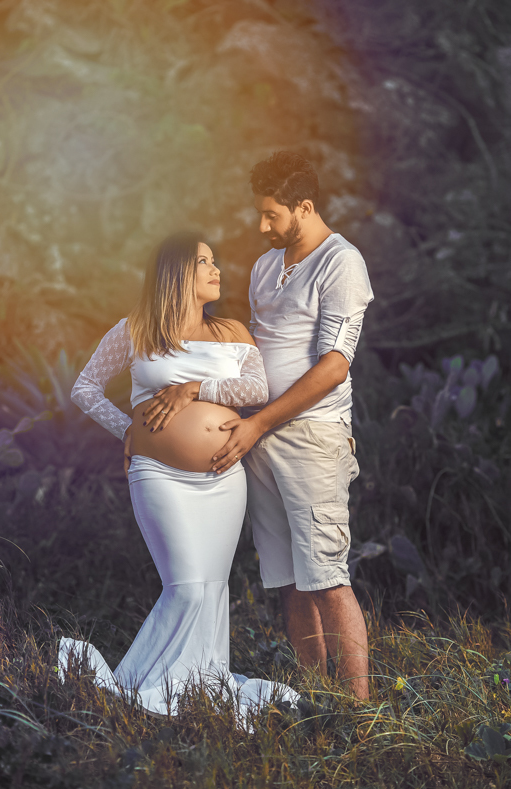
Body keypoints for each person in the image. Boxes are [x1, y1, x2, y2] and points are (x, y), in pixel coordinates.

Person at [58, 231, 299, 720]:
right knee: (187, 588)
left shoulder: (232, 331)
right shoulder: (136, 329)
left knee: (212, 591)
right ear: (175, 273)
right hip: (160, 474)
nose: (215, 269)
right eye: (203, 262)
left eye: (214, 261)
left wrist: (192, 388)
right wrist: (129, 428)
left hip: (224, 479)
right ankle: (130, 694)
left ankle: (194, 691)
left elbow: (257, 386)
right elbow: (85, 388)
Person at [210, 152, 374, 701]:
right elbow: (255, 354)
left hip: (312, 438)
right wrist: (204, 390)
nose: (262, 227)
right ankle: (312, 697)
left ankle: (359, 711)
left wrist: (257, 425)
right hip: (260, 437)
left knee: (327, 574)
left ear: (304, 207)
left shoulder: (340, 263)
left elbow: (334, 364)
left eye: (271, 215)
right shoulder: (264, 266)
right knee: (287, 579)